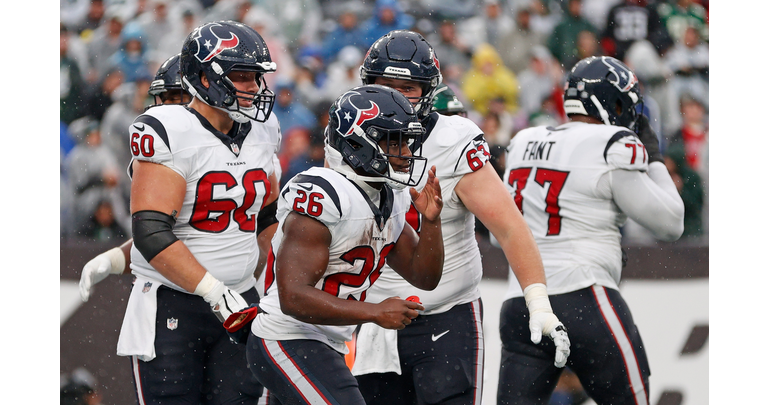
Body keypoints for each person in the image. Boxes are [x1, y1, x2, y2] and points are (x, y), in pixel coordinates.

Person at [344, 30, 569, 405]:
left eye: (408, 87)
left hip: (444, 317)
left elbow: (510, 228)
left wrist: (539, 302)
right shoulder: (347, 133)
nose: (395, 97)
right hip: (372, 321)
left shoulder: (455, 141)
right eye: (385, 84)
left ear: (429, 92)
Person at [112, 20, 282, 404]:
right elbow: (151, 230)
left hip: (241, 303)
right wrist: (213, 291)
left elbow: (267, 219)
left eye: (256, 77)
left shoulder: (264, 128)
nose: (254, 87)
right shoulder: (169, 128)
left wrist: (270, 287)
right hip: (176, 306)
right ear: (204, 78)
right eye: (242, 76)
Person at [497, 56, 684, 404]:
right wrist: (655, 159)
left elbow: (500, 232)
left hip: (522, 302)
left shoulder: (523, 140)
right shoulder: (612, 142)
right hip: (583, 297)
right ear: (613, 103)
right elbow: (671, 223)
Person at [242, 84, 445, 404]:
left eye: (407, 141)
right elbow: (292, 296)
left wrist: (432, 222)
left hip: (327, 342)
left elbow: (424, 276)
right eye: (394, 141)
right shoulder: (325, 193)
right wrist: (373, 312)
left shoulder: (389, 196)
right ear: (356, 143)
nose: (405, 152)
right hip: (285, 335)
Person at [79, 52, 193, 303]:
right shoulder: (154, 138)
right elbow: (154, 233)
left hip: (210, 279)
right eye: (164, 98)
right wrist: (115, 258)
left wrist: (213, 290)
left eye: (177, 97)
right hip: (174, 279)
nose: (168, 106)